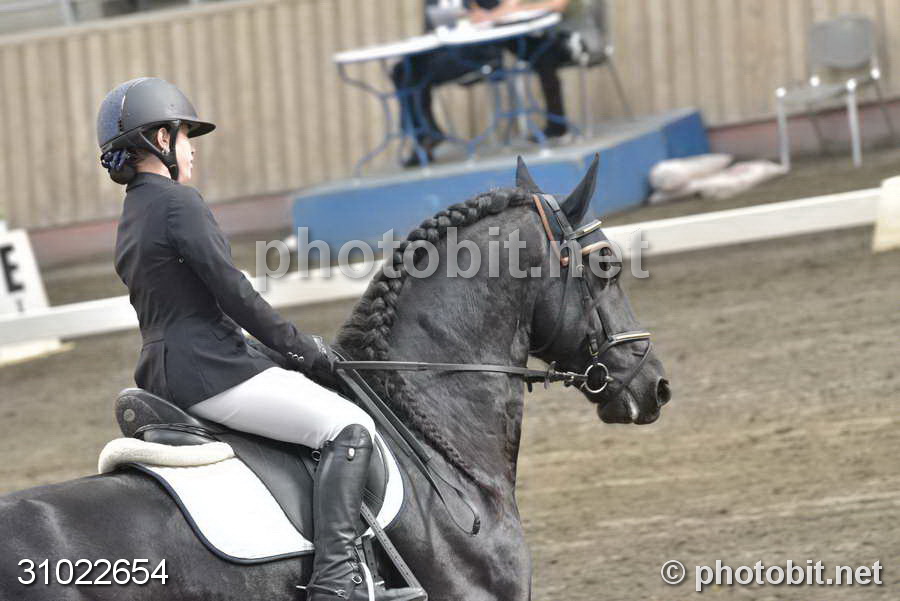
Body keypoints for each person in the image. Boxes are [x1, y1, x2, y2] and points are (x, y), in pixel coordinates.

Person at [97, 77, 424, 601]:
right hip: (211, 371)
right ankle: (336, 581)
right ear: (160, 139)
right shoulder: (179, 203)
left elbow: (187, 307)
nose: (192, 148)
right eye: (185, 136)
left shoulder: (132, 216)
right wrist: (299, 347)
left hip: (164, 372)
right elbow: (233, 294)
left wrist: (273, 354)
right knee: (348, 426)